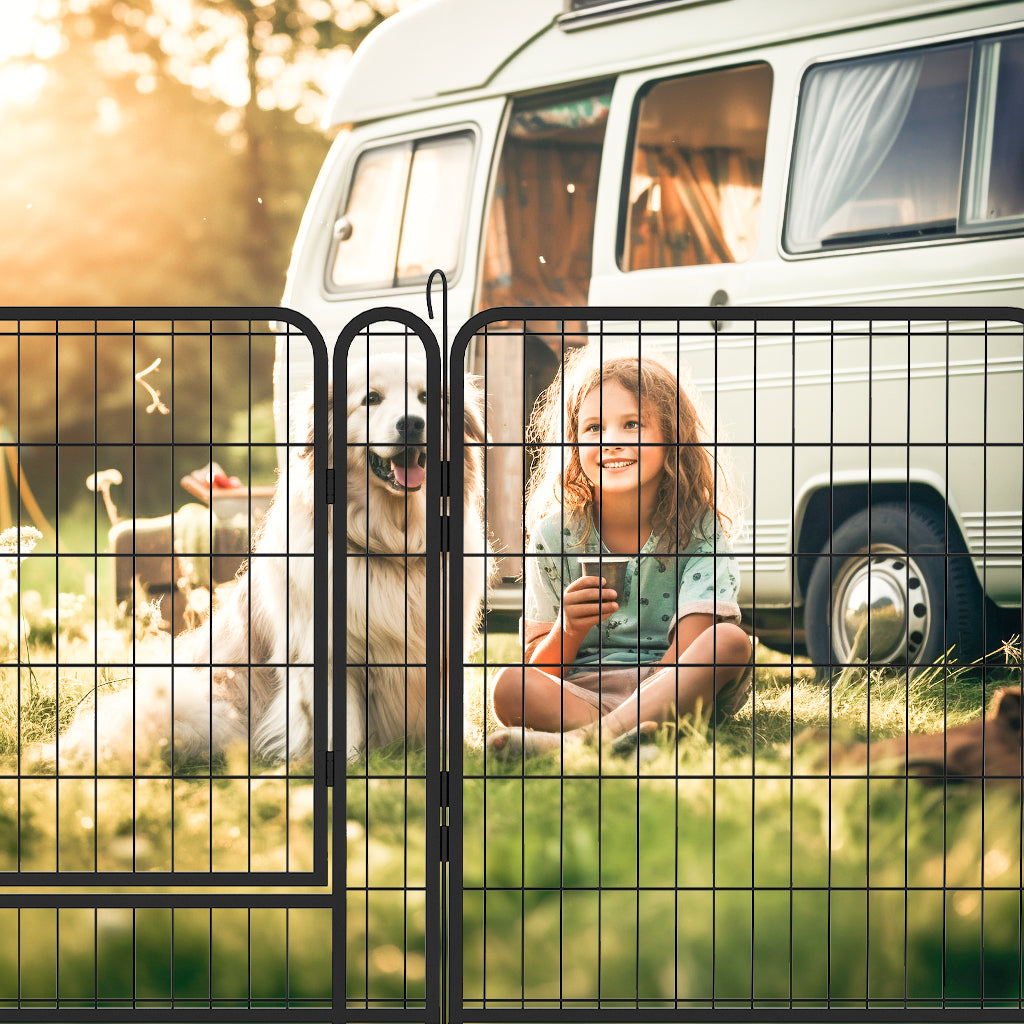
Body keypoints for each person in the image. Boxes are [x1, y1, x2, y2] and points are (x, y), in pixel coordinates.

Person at [488, 351, 753, 757]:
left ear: (672, 438)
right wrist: (569, 628)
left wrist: (656, 694)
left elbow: (690, 651)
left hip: (676, 683)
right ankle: (633, 736)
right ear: (573, 443)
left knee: (729, 641)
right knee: (509, 685)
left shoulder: (698, 530)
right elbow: (538, 671)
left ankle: (586, 741)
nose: (611, 441)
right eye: (594, 428)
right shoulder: (553, 535)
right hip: (586, 691)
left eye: (632, 424)